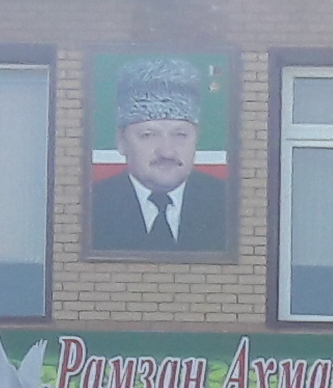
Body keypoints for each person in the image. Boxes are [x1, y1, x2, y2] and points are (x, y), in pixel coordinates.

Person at [89, 59, 230, 250]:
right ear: (121, 141)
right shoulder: (92, 205)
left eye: (180, 135)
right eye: (148, 135)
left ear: (196, 138)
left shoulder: (227, 202)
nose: (167, 152)